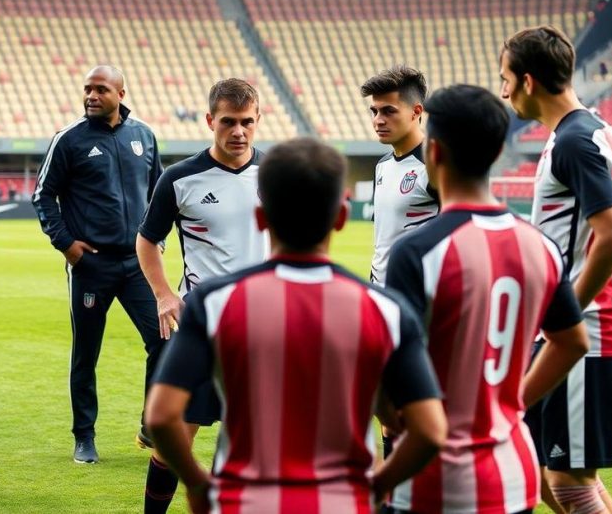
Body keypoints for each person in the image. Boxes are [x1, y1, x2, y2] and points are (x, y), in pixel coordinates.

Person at [145, 137, 447, 514]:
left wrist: (198, 482)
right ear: (340, 217)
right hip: (342, 502)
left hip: (244, 500)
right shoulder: (385, 309)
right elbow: (430, 429)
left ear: (260, 217)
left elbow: (160, 415)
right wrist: (379, 484)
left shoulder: (213, 303)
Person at [385, 84, 591, 513]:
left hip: (434, 479)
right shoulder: (540, 247)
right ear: (497, 154)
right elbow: (573, 341)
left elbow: (389, 373)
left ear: (433, 152)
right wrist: (513, 400)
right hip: (513, 474)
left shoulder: (418, 251)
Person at [500, 26, 612, 514]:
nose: (503, 91)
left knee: (568, 480)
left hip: (589, 335)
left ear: (529, 81)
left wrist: (566, 311)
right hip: (573, 333)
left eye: (506, 79)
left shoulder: (575, 142)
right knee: (542, 471)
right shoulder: (591, 133)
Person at [136, 78, 268, 513]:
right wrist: (163, 294)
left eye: (247, 122)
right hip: (202, 327)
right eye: (228, 122)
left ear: (258, 121)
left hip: (262, 330)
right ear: (210, 120)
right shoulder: (180, 178)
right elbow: (147, 240)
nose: (238, 132)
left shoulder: (276, 175)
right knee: (175, 438)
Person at [32, 65, 164, 464]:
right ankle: (84, 436)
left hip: (139, 264)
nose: (91, 95)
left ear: (121, 93)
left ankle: (151, 424)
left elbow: (158, 192)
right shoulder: (68, 140)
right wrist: (67, 245)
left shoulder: (143, 135)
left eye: (100, 89)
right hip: (91, 266)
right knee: (86, 353)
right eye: (87, 88)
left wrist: (155, 240)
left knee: (164, 341)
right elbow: (43, 196)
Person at [361, 65, 439, 288]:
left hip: (418, 296)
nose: (378, 120)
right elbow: (383, 241)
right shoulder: (382, 166)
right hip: (380, 291)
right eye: (374, 111)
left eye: (388, 111)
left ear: (416, 112)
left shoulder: (436, 164)